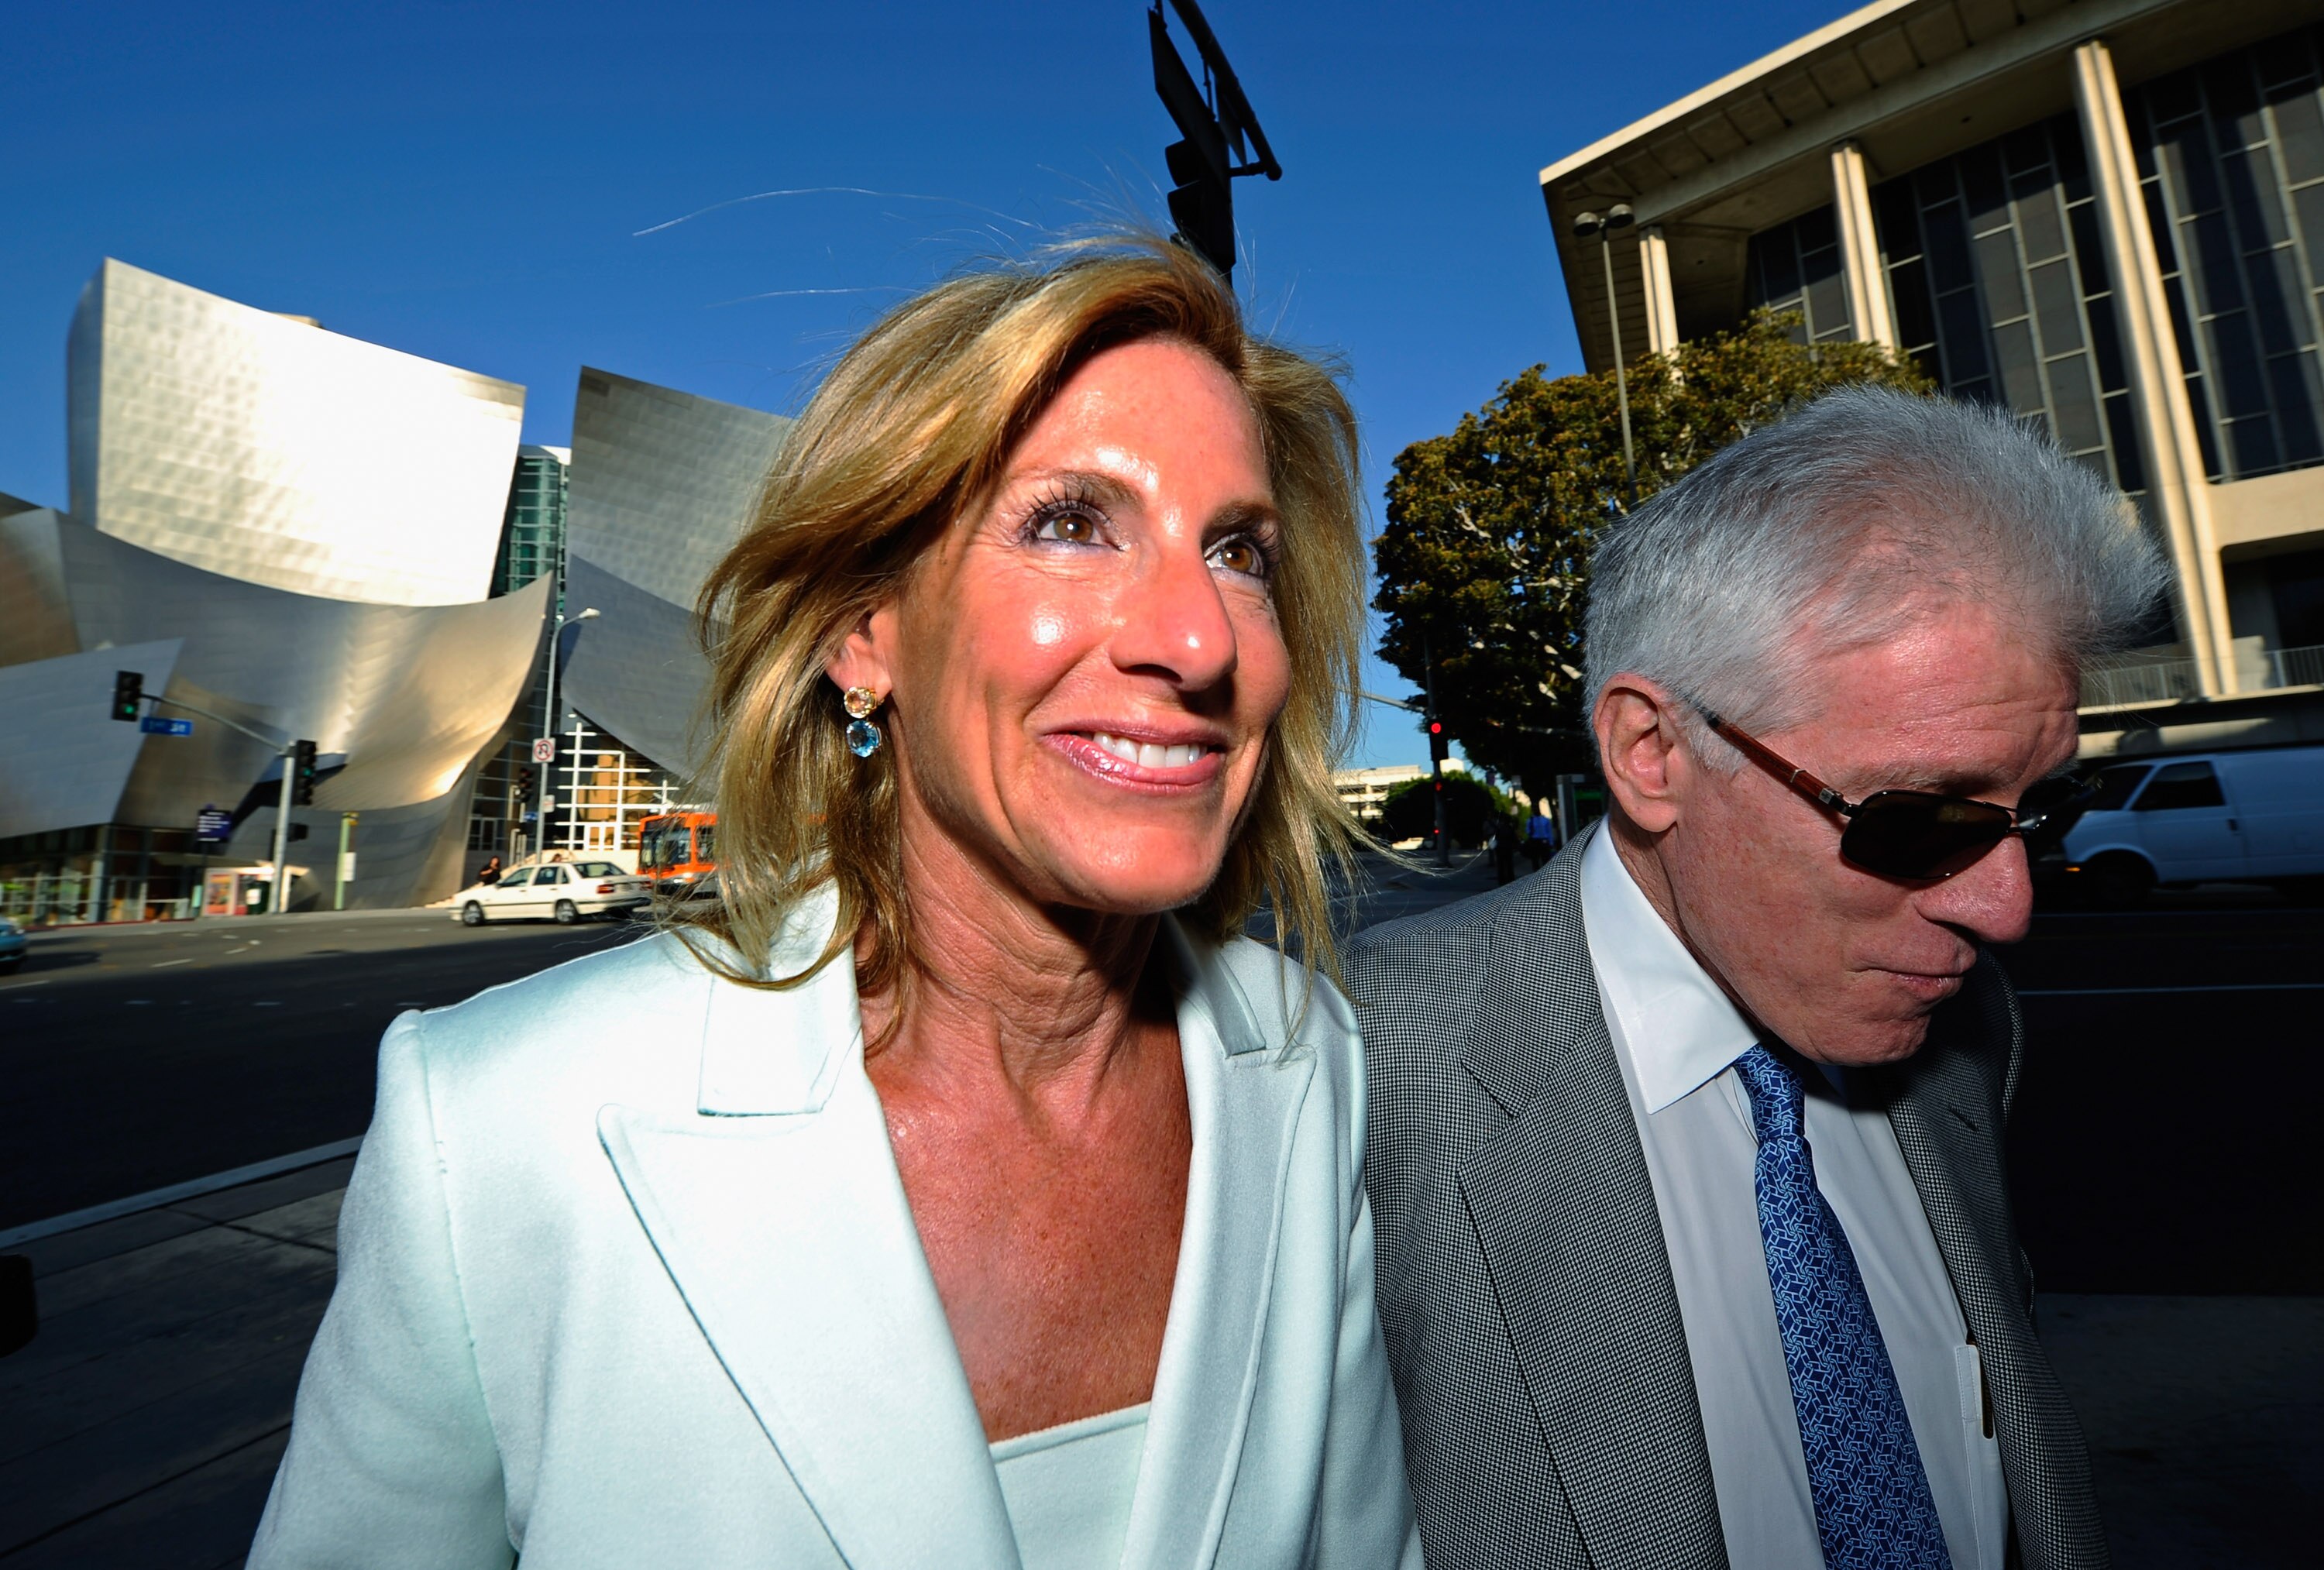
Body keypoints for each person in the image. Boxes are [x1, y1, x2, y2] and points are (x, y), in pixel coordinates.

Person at [249, 239, 1419, 1569]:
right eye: (1069, 523)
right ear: (863, 635)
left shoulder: (1306, 1056)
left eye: (1238, 550)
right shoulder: (499, 1125)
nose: (1198, 637)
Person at [1350, 386, 2168, 1570]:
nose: (2005, 908)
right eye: (1920, 818)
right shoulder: (1357, 1077)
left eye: (2038, 810)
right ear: (1652, 754)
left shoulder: (1965, 1031)